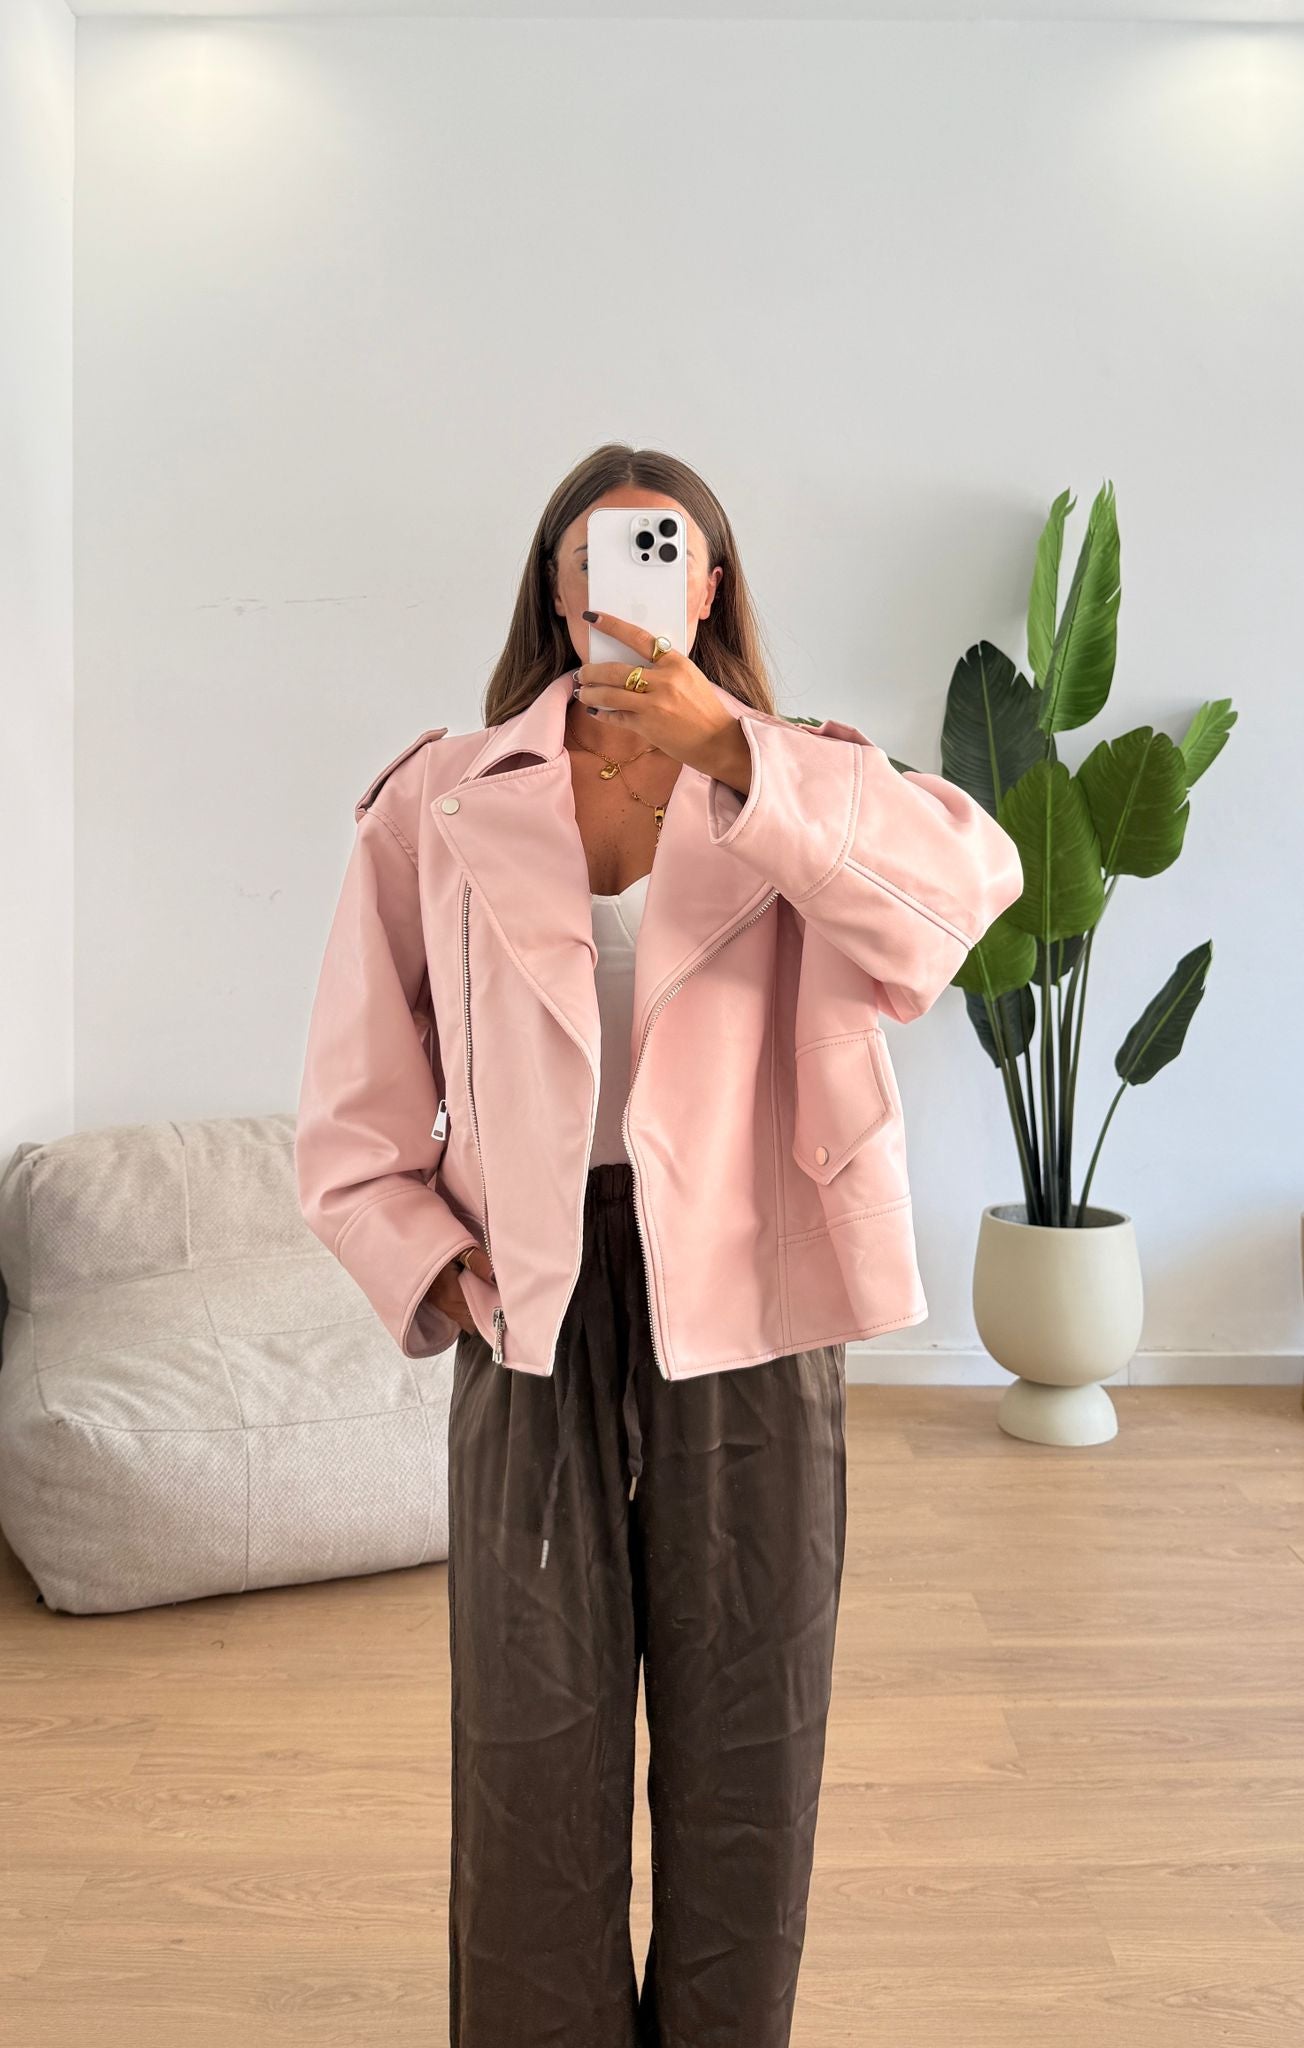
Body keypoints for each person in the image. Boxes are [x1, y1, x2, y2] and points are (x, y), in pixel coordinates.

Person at [294, 442, 1024, 2047]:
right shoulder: (440, 797)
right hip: (532, 1295)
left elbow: (965, 900)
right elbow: (350, 1111)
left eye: (664, 550)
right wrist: (441, 1270)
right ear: (558, 594)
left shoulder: (807, 782)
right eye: (597, 556)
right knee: (530, 1741)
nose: (628, 579)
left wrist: (738, 757)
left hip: (754, 1294)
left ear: (710, 584)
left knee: (751, 1732)